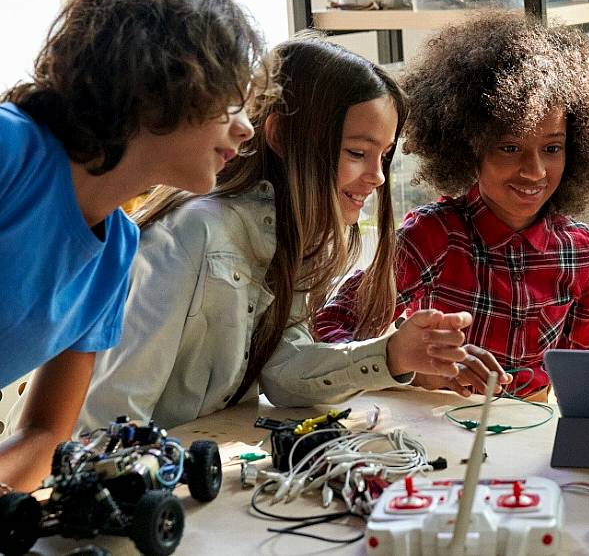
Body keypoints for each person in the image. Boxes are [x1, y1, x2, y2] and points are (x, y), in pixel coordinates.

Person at [79, 35, 491, 432]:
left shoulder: (293, 237)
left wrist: (392, 354)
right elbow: (111, 415)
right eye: (356, 153)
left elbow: (281, 373)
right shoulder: (194, 233)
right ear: (280, 136)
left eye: (383, 156)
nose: (378, 177)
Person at [0, 0, 269, 490]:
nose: (246, 127)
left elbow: (45, 433)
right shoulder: (11, 150)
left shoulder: (116, 251)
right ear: (160, 81)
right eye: (231, 102)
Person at [314, 12, 589, 399]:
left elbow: (585, 376)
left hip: (528, 433)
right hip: (443, 432)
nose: (534, 171)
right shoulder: (432, 237)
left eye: (552, 148)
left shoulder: (583, 253)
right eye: (509, 147)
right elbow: (331, 326)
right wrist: (408, 366)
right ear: (469, 147)